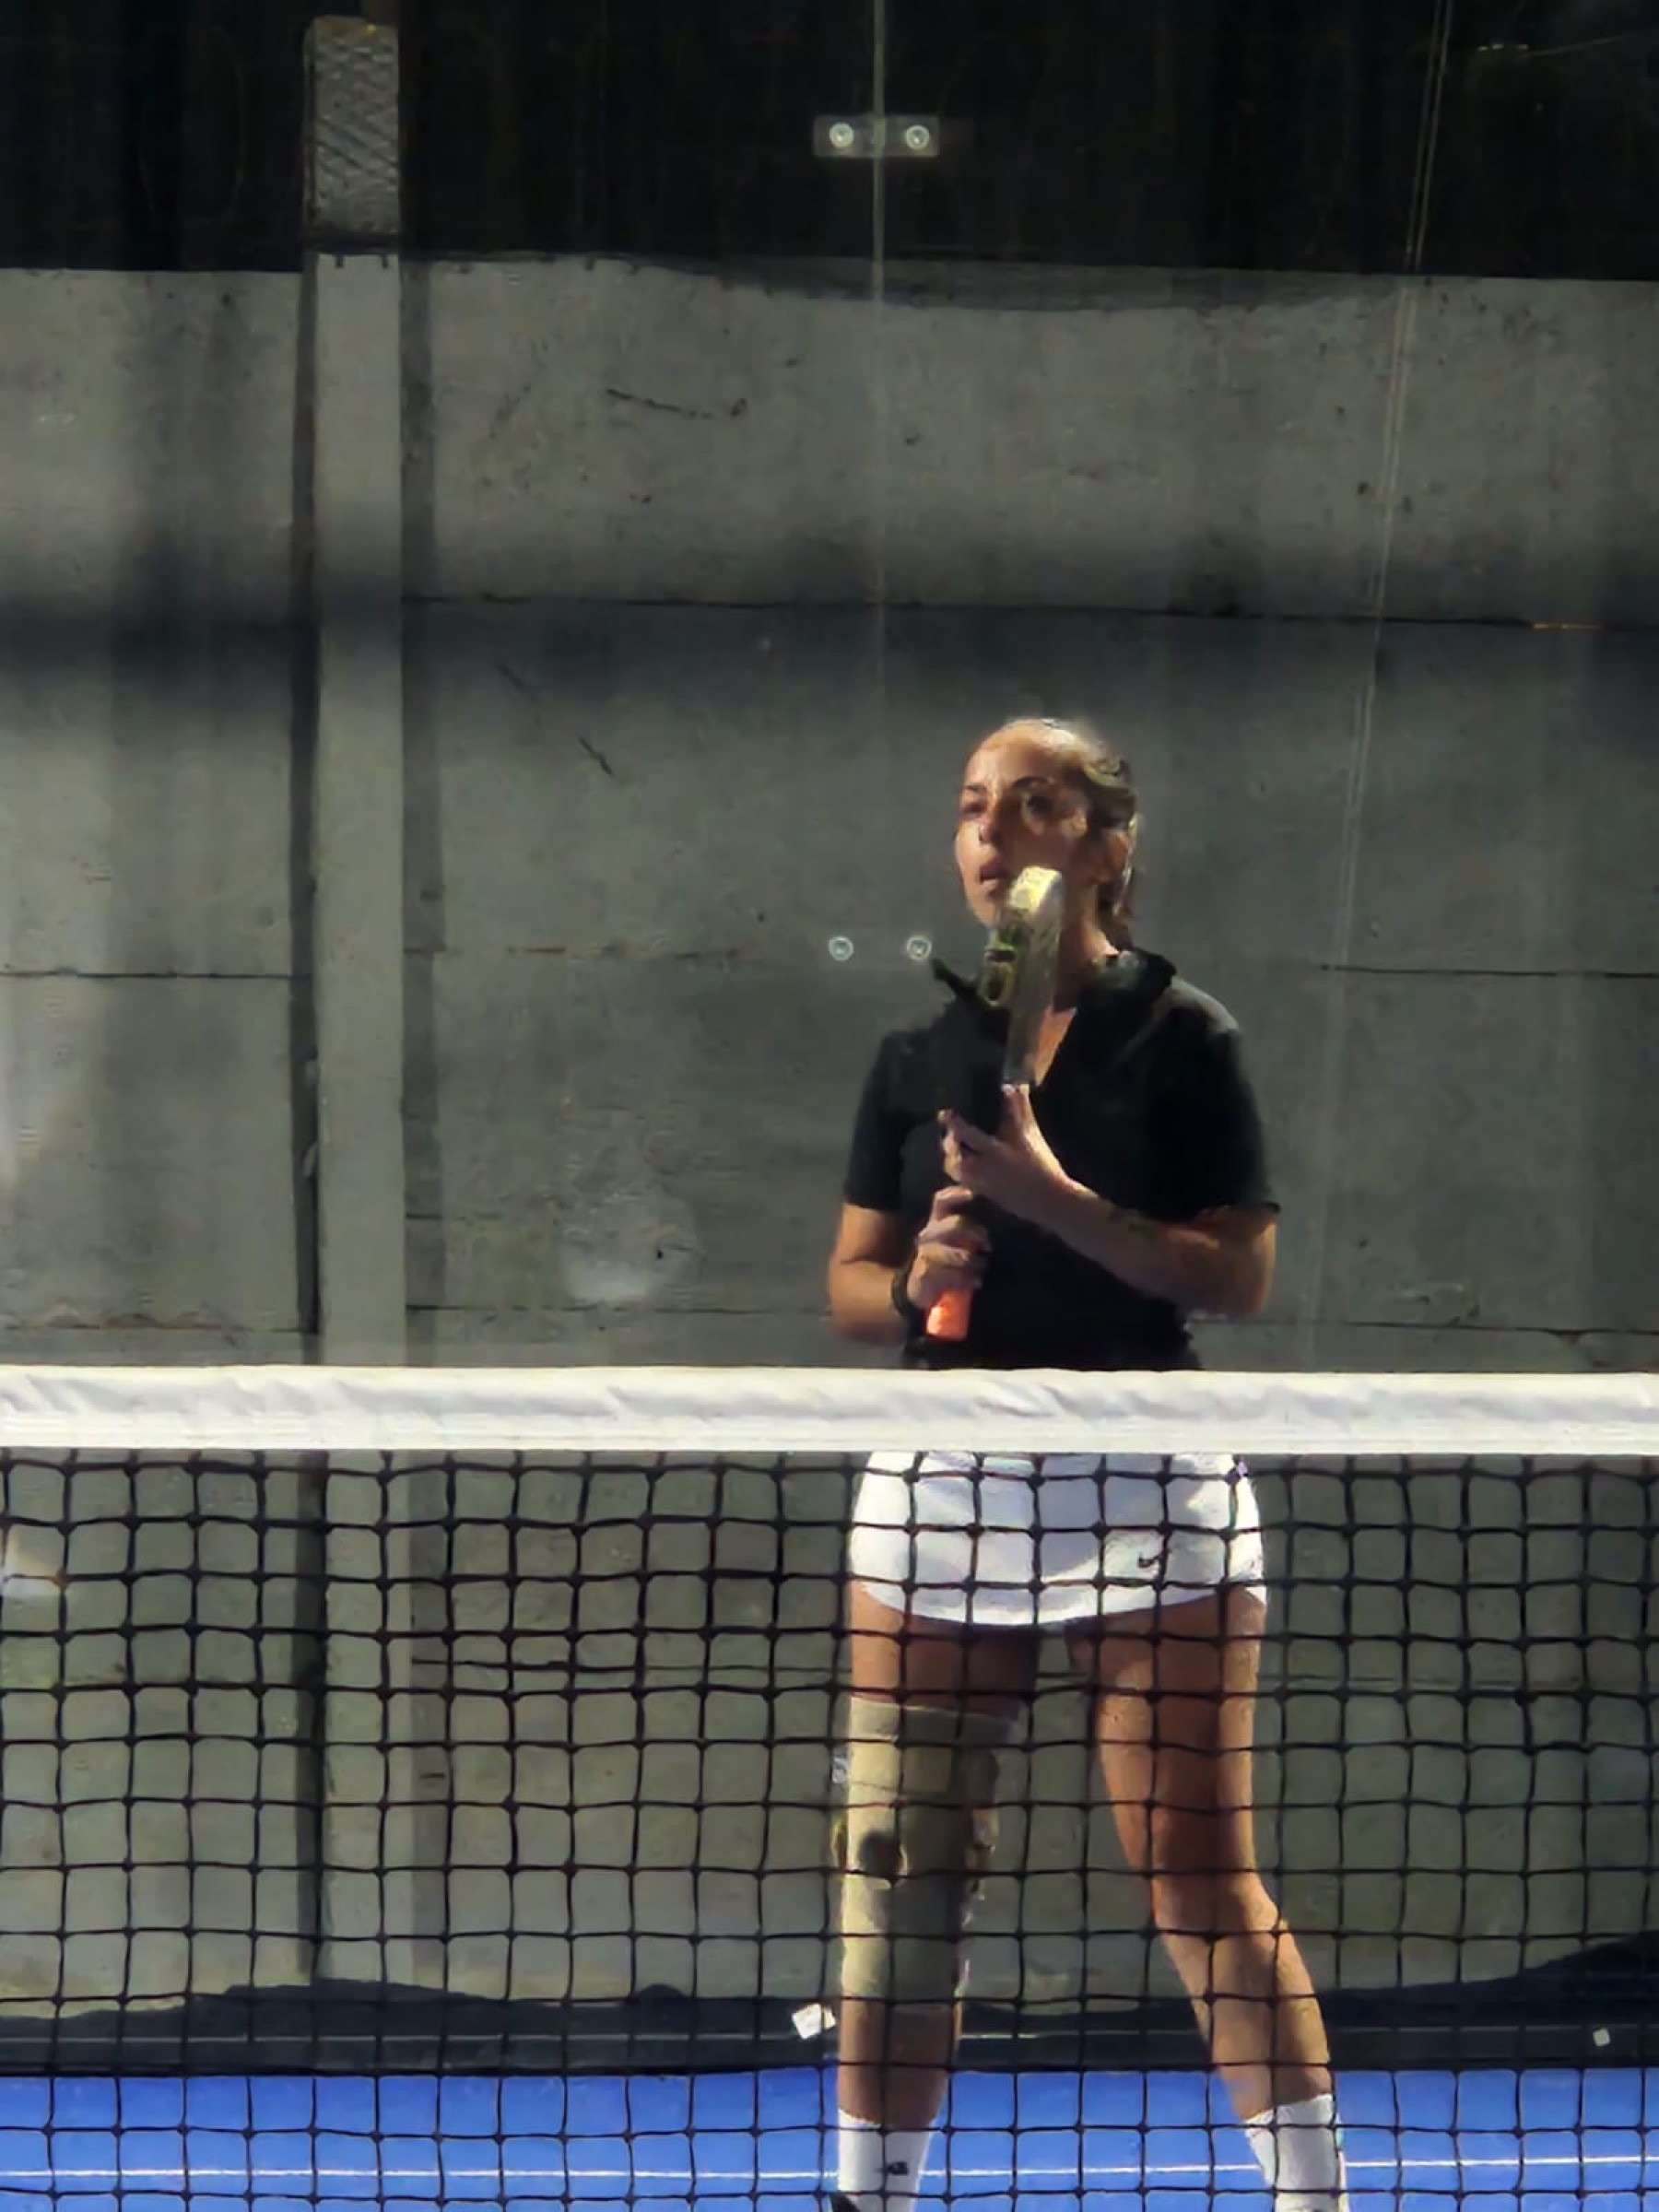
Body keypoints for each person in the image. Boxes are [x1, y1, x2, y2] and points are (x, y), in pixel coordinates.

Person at [823, 718, 1348, 2212]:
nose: (992, 832)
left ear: (1107, 849)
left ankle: (1317, 2201)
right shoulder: (918, 1056)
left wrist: (1051, 1199)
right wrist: (918, 1274)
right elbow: (852, 1288)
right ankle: (868, 2198)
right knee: (899, 1899)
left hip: (1145, 1487)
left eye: (1034, 804)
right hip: (944, 1491)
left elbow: (1235, 1278)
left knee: (1196, 1879)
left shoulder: (1185, 1039)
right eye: (973, 807)